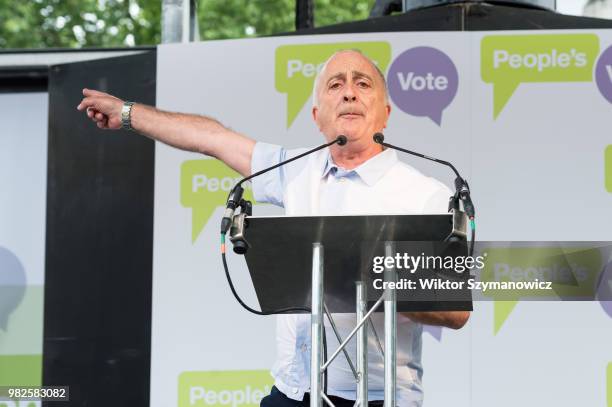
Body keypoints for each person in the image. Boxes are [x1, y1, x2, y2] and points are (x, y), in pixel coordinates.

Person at [77, 49, 470, 406]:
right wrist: (127, 113)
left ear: (385, 112)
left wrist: (369, 275)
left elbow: (455, 312)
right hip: (293, 392)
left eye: (362, 83)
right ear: (317, 117)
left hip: (381, 397)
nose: (349, 93)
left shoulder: (425, 194)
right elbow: (210, 138)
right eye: (336, 84)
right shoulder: (297, 170)